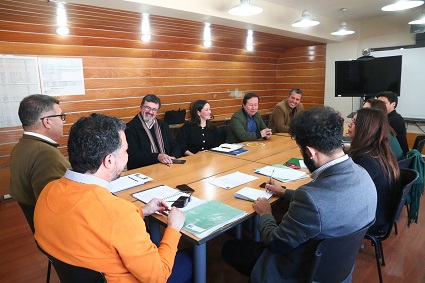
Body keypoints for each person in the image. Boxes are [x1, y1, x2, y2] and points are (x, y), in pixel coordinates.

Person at [222, 106, 377, 282]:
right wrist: (285, 192)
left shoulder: (311, 199)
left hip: (297, 271)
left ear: (310, 152)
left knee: (230, 248)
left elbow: (275, 243)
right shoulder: (364, 175)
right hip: (338, 271)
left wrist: (265, 213)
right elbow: (327, 202)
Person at [34, 113, 192, 283]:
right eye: (125, 150)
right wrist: (173, 228)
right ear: (109, 160)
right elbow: (158, 276)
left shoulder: (47, 191)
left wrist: (142, 211)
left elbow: (100, 224)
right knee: (191, 260)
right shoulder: (119, 214)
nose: (128, 155)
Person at [9, 94, 70, 233]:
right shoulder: (45, 155)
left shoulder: (21, 146)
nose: (63, 122)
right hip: (59, 238)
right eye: (61, 117)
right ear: (47, 122)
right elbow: (60, 208)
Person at [347, 108, 400, 235]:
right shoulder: (379, 152)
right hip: (381, 215)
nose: (349, 124)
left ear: (364, 129)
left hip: (372, 221)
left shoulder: (366, 160)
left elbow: (347, 194)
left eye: (354, 122)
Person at [125, 94, 182, 169]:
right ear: (141, 107)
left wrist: (172, 157)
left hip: (166, 166)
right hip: (142, 169)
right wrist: (158, 157)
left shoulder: (163, 125)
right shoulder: (130, 128)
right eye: (148, 108)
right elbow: (133, 155)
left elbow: (174, 145)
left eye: (154, 109)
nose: (150, 112)